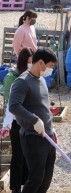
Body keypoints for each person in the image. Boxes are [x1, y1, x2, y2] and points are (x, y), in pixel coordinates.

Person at [8, 48, 58, 193]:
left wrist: (51, 127)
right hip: (33, 137)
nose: (51, 69)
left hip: (48, 136)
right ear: (41, 63)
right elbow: (13, 106)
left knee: (46, 179)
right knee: (36, 178)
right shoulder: (22, 82)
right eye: (51, 65)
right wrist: (34, 120)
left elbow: (43, 106)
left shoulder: (41, 80)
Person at [0, 48, 33, 193]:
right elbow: (10, 104)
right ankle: (15, 188)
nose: (31, 65)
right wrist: (6, 124)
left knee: (28, 154)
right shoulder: (13, 78)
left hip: (28, 121)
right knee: (18, 155)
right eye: (30, 62)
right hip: (16, 121)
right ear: (24, 62)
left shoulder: (31, 76)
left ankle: (26, 183)